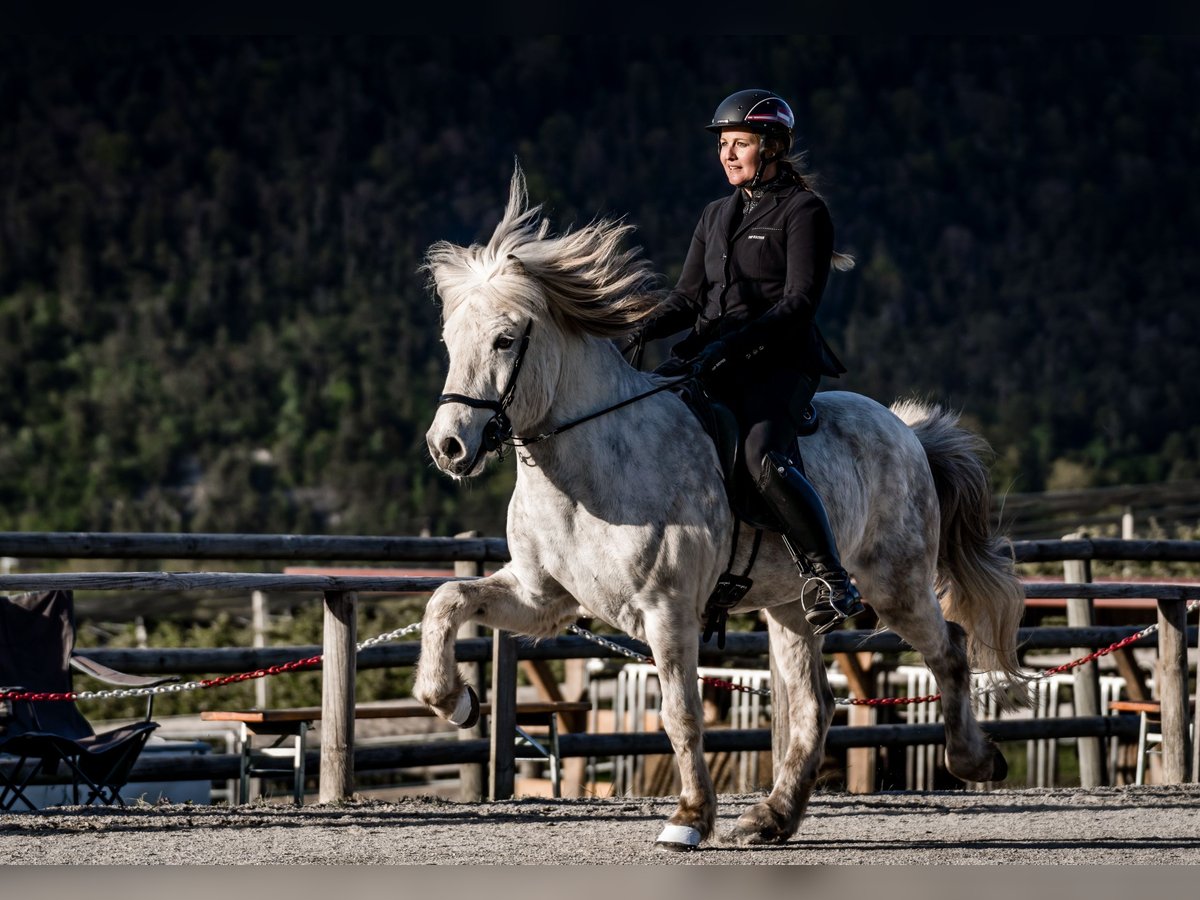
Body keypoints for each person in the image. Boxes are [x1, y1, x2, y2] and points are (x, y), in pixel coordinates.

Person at [632, 88, 864, 635]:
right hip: (710, 358)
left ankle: (831, 577)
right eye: (723, 145)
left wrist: (730, 345)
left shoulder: (804, 211)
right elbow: (688, 299)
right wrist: (637, 328)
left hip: (779, 361)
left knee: (763, 455)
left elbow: (798, 304)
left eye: (741, 143)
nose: (728, 155)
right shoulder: (715, 215)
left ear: (774, 147)